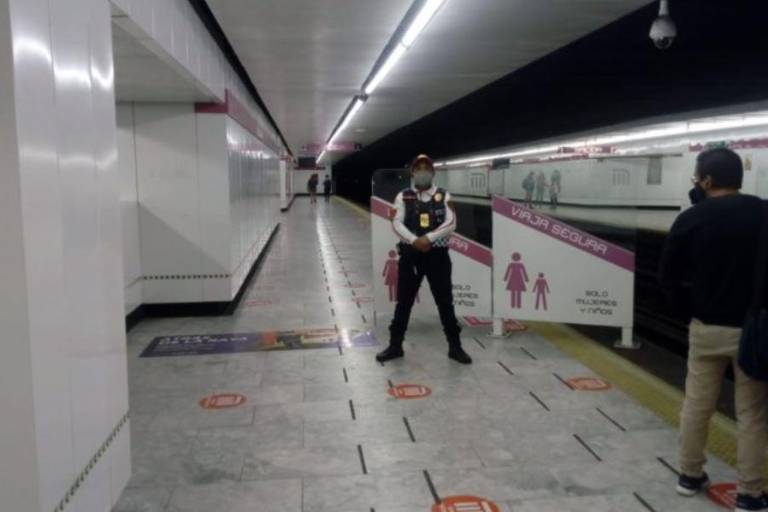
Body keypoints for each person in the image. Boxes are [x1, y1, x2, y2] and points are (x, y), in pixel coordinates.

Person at [660, 147, 768, 512]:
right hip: (752, 331)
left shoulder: (691, 219)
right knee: (752, 414)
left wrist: (689, 312)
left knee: (696, 405)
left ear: (706, 181)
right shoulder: (762, 212)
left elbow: (668, 277)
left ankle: (689, 475)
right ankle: (750, 494)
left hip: (706, 328)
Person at [376, 154, 472, 365]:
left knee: (445, 302)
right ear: (412, 173)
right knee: (404, 301)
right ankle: (395, 346)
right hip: (411, 256)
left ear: (433, 172)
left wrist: (427, 239)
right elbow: (397, 223)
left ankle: (455, 347)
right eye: (418, 168)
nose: (422, 172)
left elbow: (451, 222)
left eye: (426, 168)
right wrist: (414, 241)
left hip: (438, 256)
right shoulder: (403, 196)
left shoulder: (443, 195)